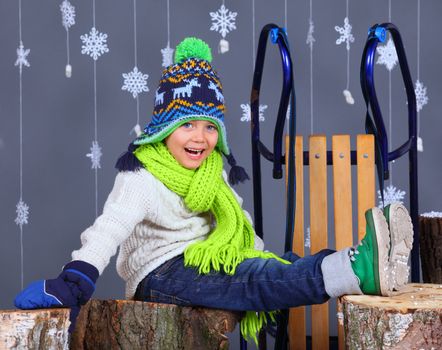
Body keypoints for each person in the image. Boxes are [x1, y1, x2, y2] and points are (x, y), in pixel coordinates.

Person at [14, 37, 413, 343]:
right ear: (165, 128)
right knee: (256, 278)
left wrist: (266, 261)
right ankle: (357, 269)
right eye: (187, 124)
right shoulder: (142, 174)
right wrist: (77, 276)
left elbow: (236, 220)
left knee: (273, 267)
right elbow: (110, 227)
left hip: (202, 262)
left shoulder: (211, 171)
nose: (199, 137)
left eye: (209, 127)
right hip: (160, 275)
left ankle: (376, 265)